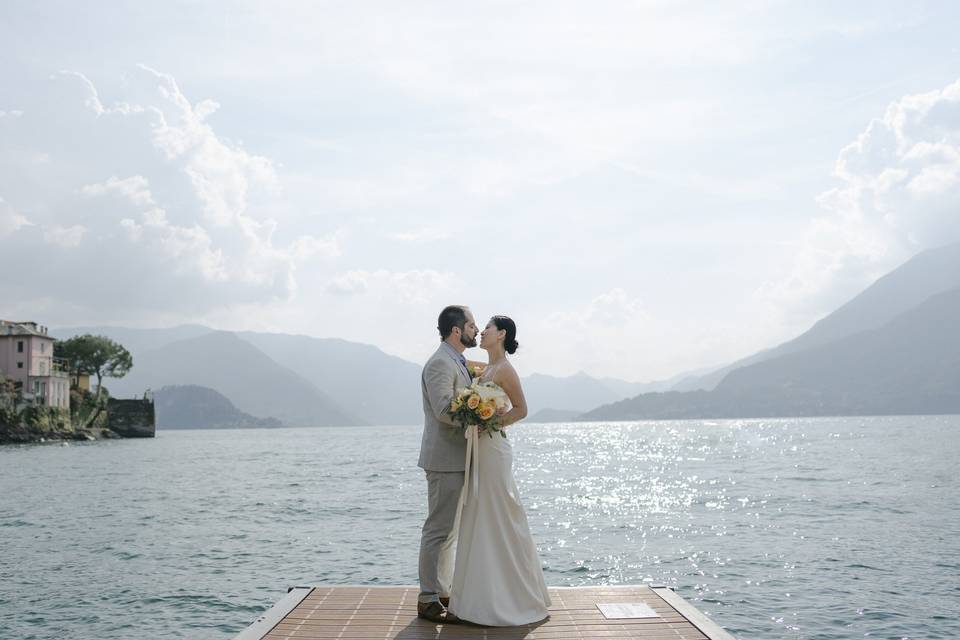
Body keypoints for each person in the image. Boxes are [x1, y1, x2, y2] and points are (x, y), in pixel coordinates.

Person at [444, 315, 551, 626]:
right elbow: (459, 360)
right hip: (480, 451)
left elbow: (522, 409)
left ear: (501, 334)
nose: (481, 331)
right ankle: (478, 599)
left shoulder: (505, 369)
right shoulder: (486, 367)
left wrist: (489, 422)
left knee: (500, 516)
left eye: (487, 328)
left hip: (494, 450)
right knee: (479, 517)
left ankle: (515, 596)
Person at [417, 305, 478, 623]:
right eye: (471, 325)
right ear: (457, 330)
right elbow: (443, 409)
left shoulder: (456, 360)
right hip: (444, 458)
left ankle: (441, 591)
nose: (476, 330)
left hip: (456, 457)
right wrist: (479, 416)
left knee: (449, 531)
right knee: (438, 529)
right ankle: (427, 598)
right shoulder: (441, 362)